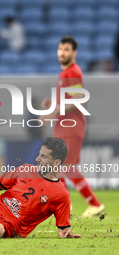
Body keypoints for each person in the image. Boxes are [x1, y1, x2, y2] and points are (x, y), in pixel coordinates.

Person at [40, 36, 104, 218]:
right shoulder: (65, 73)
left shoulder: (73, 72)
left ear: (74, 53)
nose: (62, 53)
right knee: (60, 167)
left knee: (66, 166)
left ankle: (94, 204)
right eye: (60, 49)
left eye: (67, 49)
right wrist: (53, 103)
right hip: (64, 127)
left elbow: (78, 99)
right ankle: (64, 207)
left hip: (71, 127)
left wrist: (53, 111)